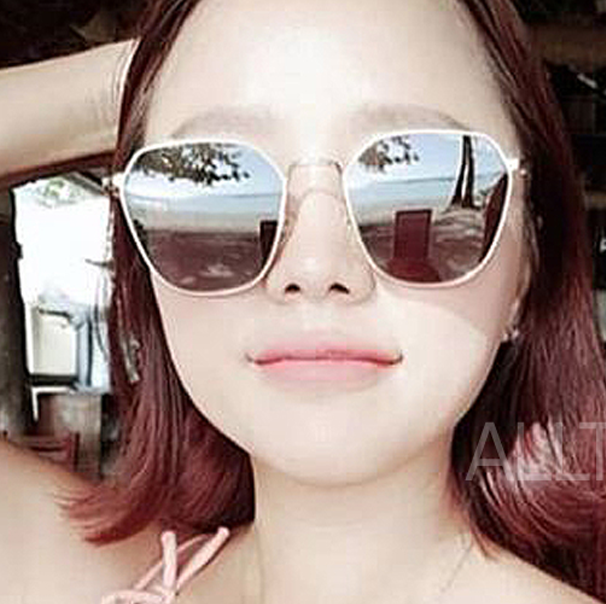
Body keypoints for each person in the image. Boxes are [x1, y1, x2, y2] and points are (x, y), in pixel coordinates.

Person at [0, 0, 605, 603]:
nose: (314, 269)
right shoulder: (108, 577)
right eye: (215, 188)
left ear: (525, 271)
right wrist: (149, 77)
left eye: (418, 177)